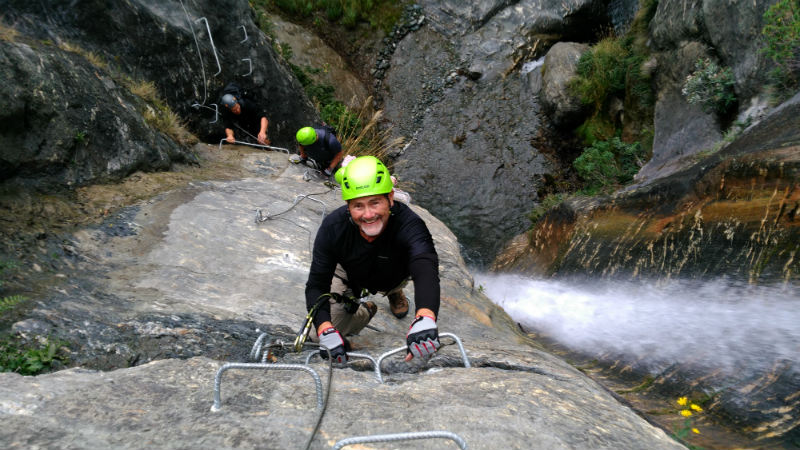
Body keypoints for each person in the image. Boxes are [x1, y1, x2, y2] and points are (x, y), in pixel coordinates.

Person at [305, 156, 441, 363]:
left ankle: (394, 293)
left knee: (392, 275)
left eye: (375, 202)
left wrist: (425, 316)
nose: (368, 215)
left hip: (393, 272)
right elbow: (317, 284)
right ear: (348, 205)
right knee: (316, 336)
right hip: (349, 272)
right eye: (358, 206)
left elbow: (424, 263)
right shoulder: (333, 228)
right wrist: (325, 329)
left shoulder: (409, 223)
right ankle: (365, 312)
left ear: (390, 197)